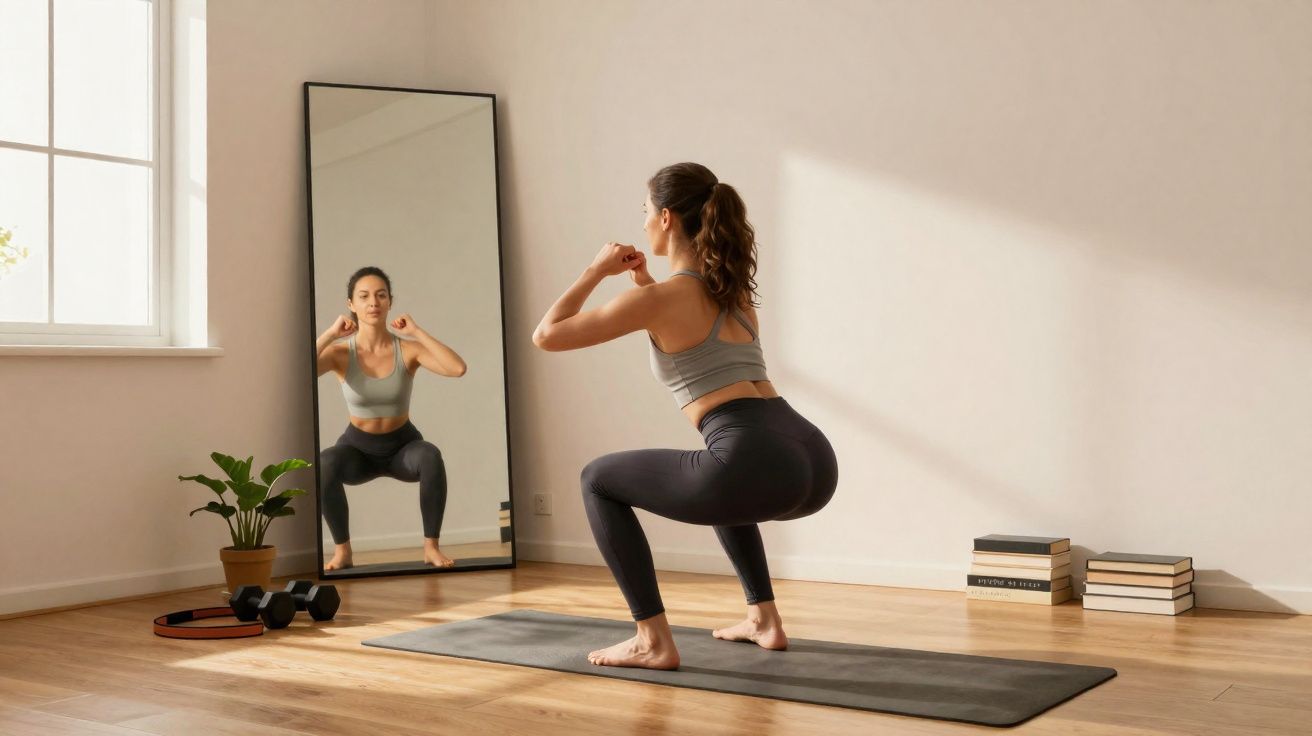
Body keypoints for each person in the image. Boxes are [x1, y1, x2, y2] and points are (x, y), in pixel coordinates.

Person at [532, 162, 839, 670]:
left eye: (646, 212)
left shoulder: (659, 300)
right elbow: (683, 325)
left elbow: (547, 335)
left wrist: (595, 271)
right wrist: (642, 282)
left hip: (750, 456)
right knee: (725, 478)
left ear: (668, 218)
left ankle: (651, 639)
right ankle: (764, 619)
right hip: (810, 456)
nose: (645, 221)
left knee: (596, 480)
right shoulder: (734, 294)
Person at [315, 266, 468, 570]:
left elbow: (457, 368)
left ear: (389, 302)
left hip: (402, 448)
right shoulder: (339, 353)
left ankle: (431, 548)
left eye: (380, 295)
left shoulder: (407, 349)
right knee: (325, 463)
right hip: (357, 450)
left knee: (430, 456)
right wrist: (330, 334)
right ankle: (343, 551)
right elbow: (296, 373)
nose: (373, 302)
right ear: (351, 304)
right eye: (364, 296)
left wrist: (417, 332)